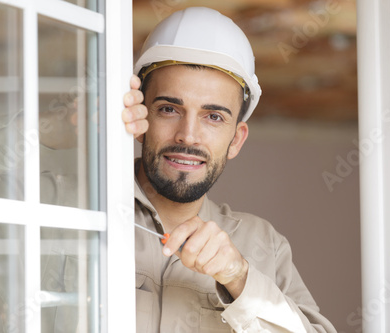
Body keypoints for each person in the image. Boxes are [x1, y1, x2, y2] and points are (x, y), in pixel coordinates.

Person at [122, 7, 336, 333]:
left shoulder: (265, 245)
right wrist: (61, 136)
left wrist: (238, 276)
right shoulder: (68, 204)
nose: (188, 135)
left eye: (213, 116)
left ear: (236, 140)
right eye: (168, 109)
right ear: (140, 119)